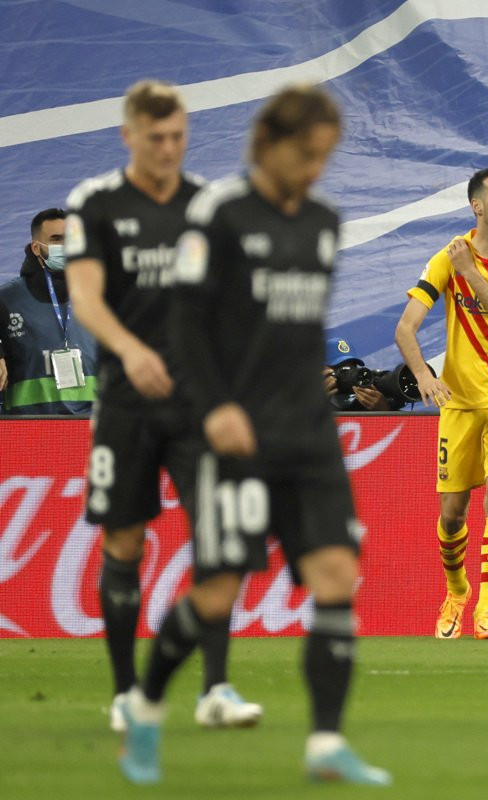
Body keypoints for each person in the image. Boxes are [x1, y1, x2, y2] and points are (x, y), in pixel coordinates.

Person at [114, 84, 390, 786]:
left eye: (326, 157)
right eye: (307, 154)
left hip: (309, 433)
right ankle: (146, 708)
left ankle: (326, 742)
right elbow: (186, 326)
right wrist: (213, 408)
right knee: (215, 593)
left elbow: (297, 335)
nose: (317, 170)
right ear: (270, 144)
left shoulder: (324, 222)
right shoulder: (220, 215)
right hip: (236, 434)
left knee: (335, 575)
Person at [64, 80, 259, 733]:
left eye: (177, 136)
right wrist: (127, 347)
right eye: (156, 139)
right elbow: (86, 298)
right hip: (124, 402)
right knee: (125, 541)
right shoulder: (95, 203)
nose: (169, 149)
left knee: (218, 540)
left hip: (196, 404)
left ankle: (217, 690)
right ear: (129, 136)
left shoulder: (207, 204)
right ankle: (127, 694)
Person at [394, 166, 488, 640]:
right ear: (477, 206)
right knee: (452, 513)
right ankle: (457, 592)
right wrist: (421, 373)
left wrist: (470, 273)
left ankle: (487, 610)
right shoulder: (447, 256)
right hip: (459, 402)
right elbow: (405, 328)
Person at [0, 208, 99, 414]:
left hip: (90, 426)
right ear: (36, 248)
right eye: (56, 239)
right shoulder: (7, 298)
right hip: (25, 426)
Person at [323, 336, 392, 411]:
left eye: (353, 367)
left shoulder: (365, 399)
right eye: (341, 368)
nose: (348, 374)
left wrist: (384, 411)